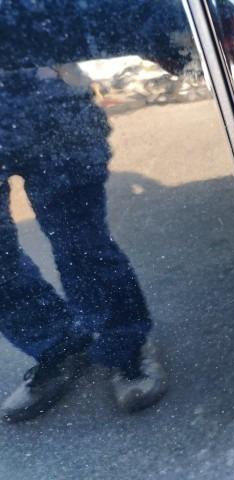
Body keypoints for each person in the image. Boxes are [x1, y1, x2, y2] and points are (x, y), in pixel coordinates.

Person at [0, 0, 198, 422]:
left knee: (80, 243)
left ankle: (125, 345)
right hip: (46, 97)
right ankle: (58, 345)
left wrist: (174, 20)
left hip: (49, 104)